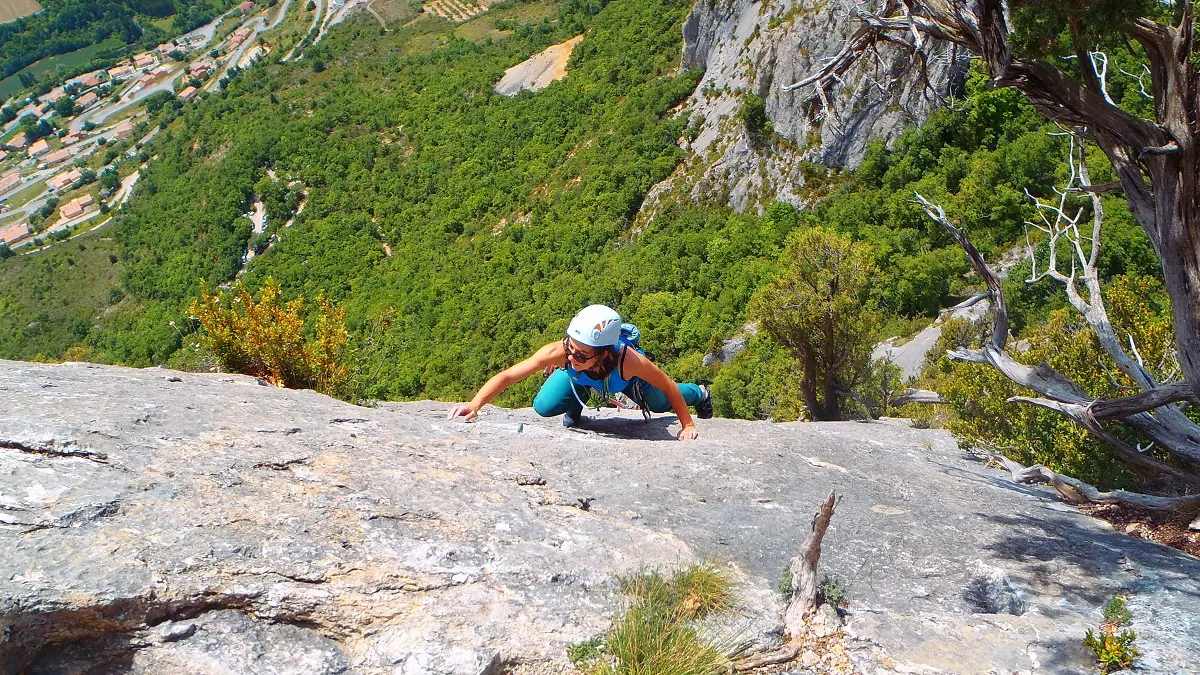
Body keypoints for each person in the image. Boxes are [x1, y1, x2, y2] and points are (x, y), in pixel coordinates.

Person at [446, 305, 712, 440]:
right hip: (588, 379)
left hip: (626, 382)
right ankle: (577, 404)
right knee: (544, 405)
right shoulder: (561, 353)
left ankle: (699, 393)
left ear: (604, 353)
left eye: (581, 354)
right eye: (570, 349)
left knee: (659, 402)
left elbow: (666, 384)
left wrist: (687, 424)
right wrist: (475, 404)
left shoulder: (628, 362)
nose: (572, 356)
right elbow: (509, 375)